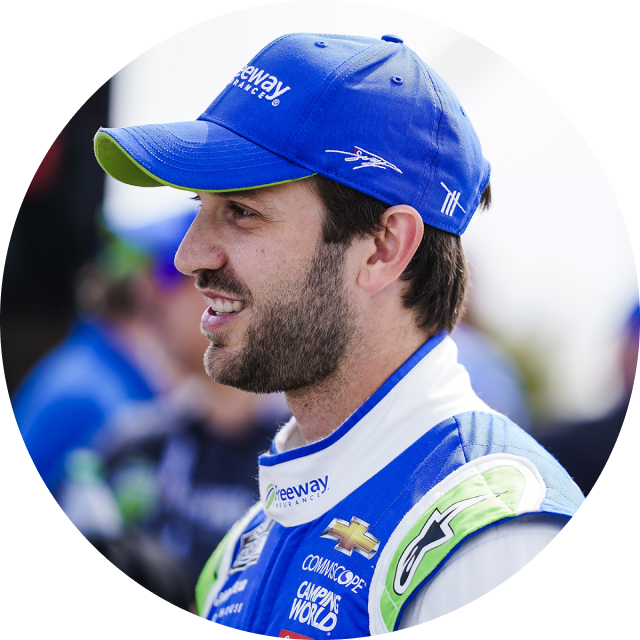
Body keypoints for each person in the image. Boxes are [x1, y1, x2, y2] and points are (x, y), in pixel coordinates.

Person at [94, 33, 585, 632]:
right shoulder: (241, 549)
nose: (188, 256)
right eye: (199, 205)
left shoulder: (493, 543)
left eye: (242, 211)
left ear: (383, 248)